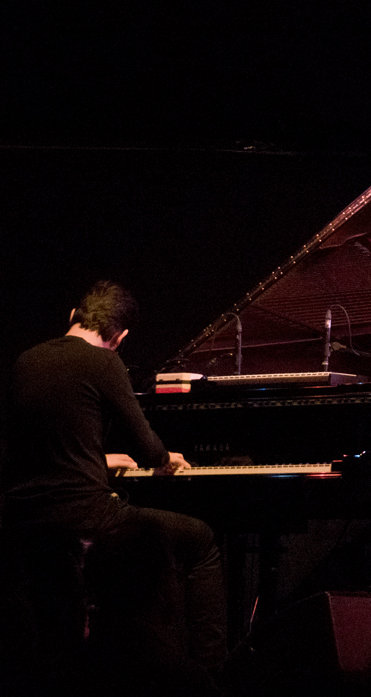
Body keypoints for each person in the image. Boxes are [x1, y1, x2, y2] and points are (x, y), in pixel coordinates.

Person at [2, 280, 227, 671]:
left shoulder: (25, 360)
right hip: (85, 517)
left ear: (73, 316)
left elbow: (41, 450)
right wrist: (165, 458)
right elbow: (147, 447)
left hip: (26, 518)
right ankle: (209, 672)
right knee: (200, 539)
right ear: (119, 338)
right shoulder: (104, 362)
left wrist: (101, 459)